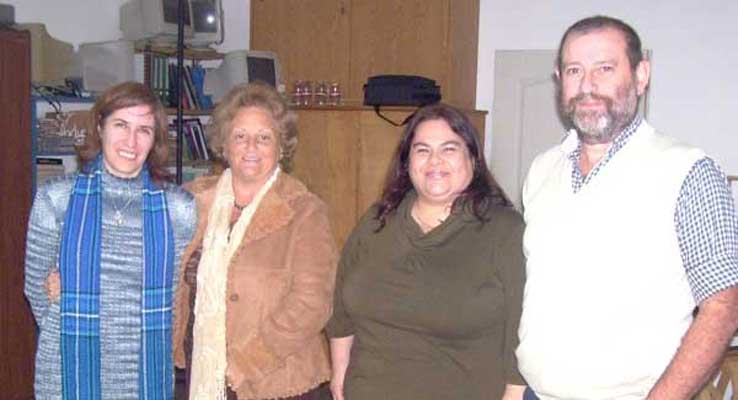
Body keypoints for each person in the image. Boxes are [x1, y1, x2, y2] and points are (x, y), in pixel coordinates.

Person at [517, 15, 738, 400]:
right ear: (559, 78)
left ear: (640, 75)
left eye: (604, 68)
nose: (587, 86)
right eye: (574, 70)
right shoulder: (541, 170)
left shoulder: (688, 171)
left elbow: (722, 307)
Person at [327, 103, 526, 400]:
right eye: (422, 150)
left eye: (449, 149)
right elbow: (342, 310)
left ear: (473, 158)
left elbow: (522, 334)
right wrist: (339, 374)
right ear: (407, 162)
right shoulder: (377, 221)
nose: (435, 161)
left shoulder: (505, 231)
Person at [24, 81, 197, 399]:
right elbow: (36, 289)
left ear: (154, 140)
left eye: (144, 129)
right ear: (100, 127)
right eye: (121, 124)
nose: (131, 140)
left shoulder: (179, 209)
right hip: (67, 370)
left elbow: (175, 290)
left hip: (144, 372)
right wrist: (70, 319)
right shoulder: (56, 198)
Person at [172, 82, 338, 400]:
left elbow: (312, 303)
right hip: (199, 375)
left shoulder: (304, 210)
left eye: (263, 138)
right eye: (240, 136)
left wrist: (246, 362)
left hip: (277, 381)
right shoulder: (191, 200)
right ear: (224, 143)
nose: (251, 148)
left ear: (281, 145)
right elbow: (146, 257)